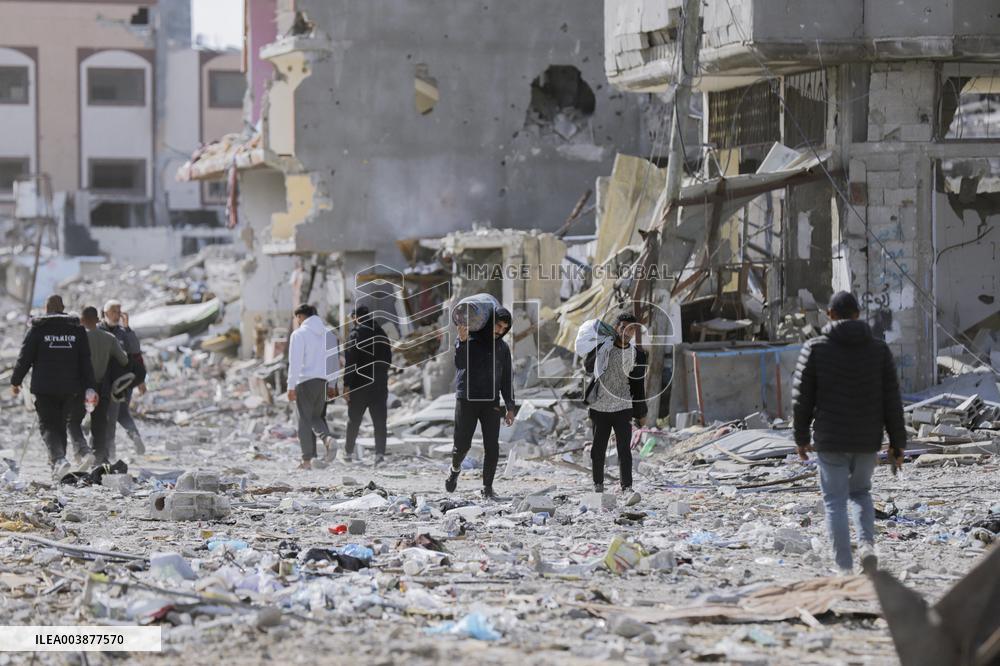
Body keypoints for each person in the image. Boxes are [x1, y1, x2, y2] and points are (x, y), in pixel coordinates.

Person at [792, 291, 906, 574]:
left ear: (829, 314)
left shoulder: (815, 348)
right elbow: (892, 400)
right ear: (857, 314)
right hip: (868, 440)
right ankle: (867, 545)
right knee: (861, 493)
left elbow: (801, 399)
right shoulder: (879, 350)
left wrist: (801, 438)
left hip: (830, 441)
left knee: (834, 502)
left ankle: (844, 568)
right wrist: (897, 443)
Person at [10, 295, 97, 478]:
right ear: (63, 308)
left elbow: (24, 358)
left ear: (46, 309)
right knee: (60, 424)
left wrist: (16, 382)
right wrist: (90, 387)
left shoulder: (37, 329)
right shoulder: (77, 330)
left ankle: (59, 459)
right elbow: (85, 361)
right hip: (70, 388)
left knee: (48, 425)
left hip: (45, 388)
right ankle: (59, 462)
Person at [445, 306, 516, 500]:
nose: (500, 331)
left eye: (504, 328)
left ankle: (487, 488)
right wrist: (461, 341)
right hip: (467, 399)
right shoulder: (470, 339)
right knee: (461, 446)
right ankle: (455, 469)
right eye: (498, 326)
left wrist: (510, 406)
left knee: (492, 447)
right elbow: (460, 364)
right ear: (489, 322)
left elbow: (507, 378)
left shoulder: (503, 347)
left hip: (490, 402)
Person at [579, 312, 647, 495]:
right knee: (598, 449)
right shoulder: (601, 348)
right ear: (616, 328)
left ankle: (627, 487)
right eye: (623, 326)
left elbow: (638, 385)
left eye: (631, 328)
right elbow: (588, 367)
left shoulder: (637, 355)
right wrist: (599, 346)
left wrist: (641, 413)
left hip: (623, 407)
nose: (627, 331)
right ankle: (598, 485)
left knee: (624, 449)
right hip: (599, 407)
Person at [70, 306, 128, 464]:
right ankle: (99, 460)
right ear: (98, 320)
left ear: (81, 320)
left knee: (73, 421)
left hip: (82, 389)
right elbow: (124, 360)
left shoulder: (77, 337)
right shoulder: (109, 338)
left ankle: (82, 451)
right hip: (102, 389)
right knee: (99, 425)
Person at [287, 304, 340, 470]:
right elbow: (334, 361)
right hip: (323, 382)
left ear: (301, 317)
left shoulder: (299, 334)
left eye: (298, 318)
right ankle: (327, 439)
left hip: (305, 382)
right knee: (316, 417)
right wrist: (332, 384)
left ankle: (307, 460)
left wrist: (290, 385)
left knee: (304, 420)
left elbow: (294, 362)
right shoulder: (329, 334)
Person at [343, 305, 392, 466]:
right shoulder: (382, 334)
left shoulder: (356, 334)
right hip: (379, 384)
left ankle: (348, 454)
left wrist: (346, 384)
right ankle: (379, 455)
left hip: (360, 384)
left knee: (354, 420)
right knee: (380, 422)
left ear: (356, 317)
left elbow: (351, 361)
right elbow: (388, 360)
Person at [100, 300, 147, 456]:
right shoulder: (98, 331)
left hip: (122, 383)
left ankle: (110, 452)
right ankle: (131, 438)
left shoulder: (124, 333)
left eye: (119, 311)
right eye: (114, 312)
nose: (117, 315)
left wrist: (141, 380)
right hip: (102, 382)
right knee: (115, 415)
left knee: (116, 415)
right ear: (105, 313)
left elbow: (136, 354)